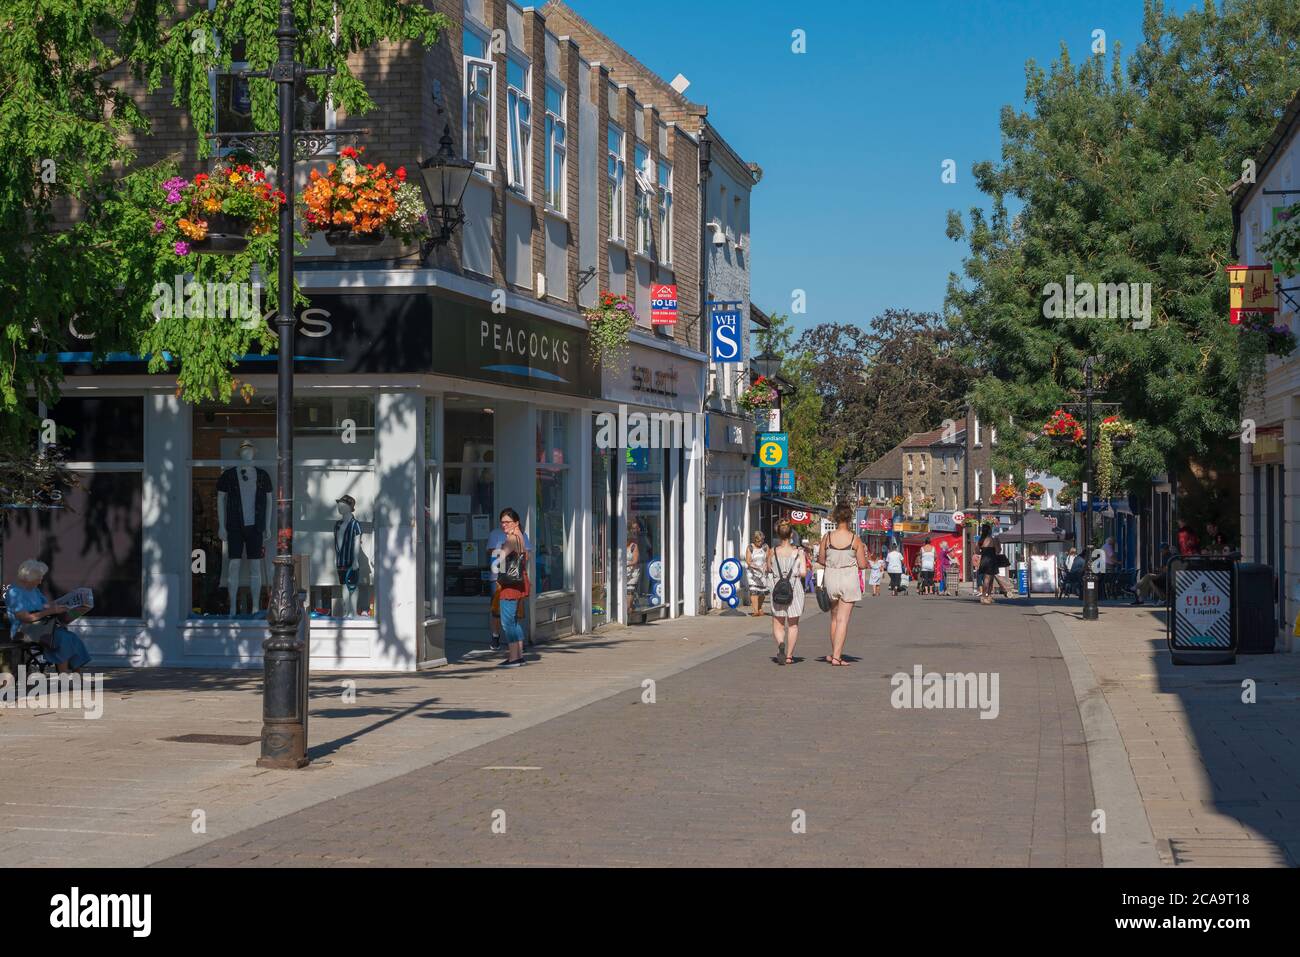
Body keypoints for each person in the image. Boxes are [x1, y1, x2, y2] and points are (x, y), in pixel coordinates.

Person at [5, 559, 92, 673]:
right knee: (62, 639)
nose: (40, 582)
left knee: (72, 638)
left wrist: (66, 606)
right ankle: (64, 677)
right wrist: (50, 611)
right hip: (24, 630)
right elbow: (24, 617)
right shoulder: (14, 592)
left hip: (42, 627)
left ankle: (77, 678)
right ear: (29, 578)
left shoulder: (34, 590)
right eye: (38, 578)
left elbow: (47, 606)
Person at [817, 503, 867, 666]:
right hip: (848, 577)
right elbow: (862, 564)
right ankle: (837, 657)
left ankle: (834, 653)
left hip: (832, 576)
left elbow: (821, 560)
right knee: (843, 620)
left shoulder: (827, 537)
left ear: (835, 518)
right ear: (849, 518)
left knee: (834, 619)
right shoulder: (855, 539)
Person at [492, 508, 530, 667]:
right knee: (514, 621)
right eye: (502, 522)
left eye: (507, 522)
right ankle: (519, 655)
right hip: (519, 581)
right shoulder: (521, 537)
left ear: (516, 522)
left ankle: (513, 657)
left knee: (507, 622)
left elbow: (498, 561)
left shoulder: (511, 539)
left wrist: (495, 559)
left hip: (509, 584)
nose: (504, 525)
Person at [766, 521, 807, 665]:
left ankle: (781, 643)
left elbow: (768, 569)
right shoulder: (799, 552)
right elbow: (803, 573)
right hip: (794, 589)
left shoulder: (772, 551)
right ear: (791, 535)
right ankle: (789, 656)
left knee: (778, 623)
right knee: (793, 625)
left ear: (778, 534)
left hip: (777, 589)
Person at [746, 531, 770, 617]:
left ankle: (760, 607)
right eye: (758, 541)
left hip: (763, 572)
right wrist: (756, 567)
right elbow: (748, 561)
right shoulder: (750, 547)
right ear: (755, 540)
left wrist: (766, 566)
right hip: (752, 573)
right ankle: (755, 610)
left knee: (762, 592)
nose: (760, 543)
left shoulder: (765, 547)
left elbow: (768, 558)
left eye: (762, 541)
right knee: (753, 591)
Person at [625, 520, 642, 621]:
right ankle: (631, 609)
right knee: (625, 593)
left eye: (627, 538)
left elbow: (635, 560)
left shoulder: (634, 546)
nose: (626, 539)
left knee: (629, 591)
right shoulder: (621, 547)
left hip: (632, 573)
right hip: (623, 573)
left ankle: (628, 611)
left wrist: (626, 564)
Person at [977, 524, 998, 604]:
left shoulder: (980, 540)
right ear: (989, 531)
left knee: (987, 579)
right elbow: (998, 550)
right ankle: (986, 596)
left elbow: (977, 551)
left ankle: (986, 596)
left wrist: (983, 550)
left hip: (984, 560)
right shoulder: (993, 539)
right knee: (989, 579)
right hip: (991, 560)